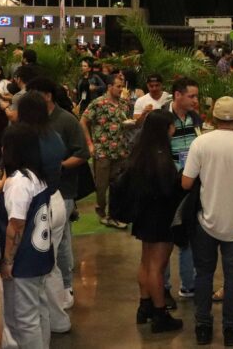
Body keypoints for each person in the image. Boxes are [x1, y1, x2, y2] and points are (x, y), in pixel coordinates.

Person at [182, 96, 233, 346]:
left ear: (213, 118)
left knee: (203, 274)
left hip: (206, 221)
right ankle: (231, 328)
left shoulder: (201, 143)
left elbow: (186, 182)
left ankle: (203, 327)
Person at [25, 77, 88, 313]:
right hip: (40, 191)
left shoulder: (66, 120)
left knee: (60, 243)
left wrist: (59, 166)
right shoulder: (33, 122)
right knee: (47, 240)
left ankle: (66, 287)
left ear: (48, 95)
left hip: (64, 189)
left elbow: (83, 153)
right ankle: (52, 292)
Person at [13, 91, 71, 335]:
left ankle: (43, 325)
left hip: (37, 206)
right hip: (55, 201)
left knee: (36, 272)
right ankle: (59, 321)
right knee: (50, 266)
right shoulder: (53, 135)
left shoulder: (25, 139)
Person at [126, 111, 185, 333]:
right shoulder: (162, 158)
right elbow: (168, 190)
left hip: (143, 215)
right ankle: (160, 313)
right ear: (166, 128)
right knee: (157, 267)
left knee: (146, 261)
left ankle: (145, 306)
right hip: (161, 217)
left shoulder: (141, 152)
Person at [0, 123, 54, 349]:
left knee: (25, 320)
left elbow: (16, 226)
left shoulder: (19, 181)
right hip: (40, 255)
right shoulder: (35, 176)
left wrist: (7, 260)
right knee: (38, 311)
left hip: (24, 260)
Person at [161, 77, 202, 302]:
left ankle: (189, 285)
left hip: (191, 184)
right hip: (168, 185)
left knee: (188, 234)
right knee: (165, 238)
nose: (195, 100)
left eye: (196, 96)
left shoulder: (195, 117)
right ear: (177, 95)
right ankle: (163, 287)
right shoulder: (161, 117)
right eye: (191, 96)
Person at [80, 74, 131, 228]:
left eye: (122, 86)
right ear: (109, 87)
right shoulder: (98, 103)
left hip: (121, 150)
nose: (121, 89)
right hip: (102, 150)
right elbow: (83, 121)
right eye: (118, 86)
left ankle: (115, 214)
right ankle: (102, 212)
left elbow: (126, 123)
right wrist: (89, 143)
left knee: (118, 184)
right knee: (101, 186)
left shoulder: (124, 104)